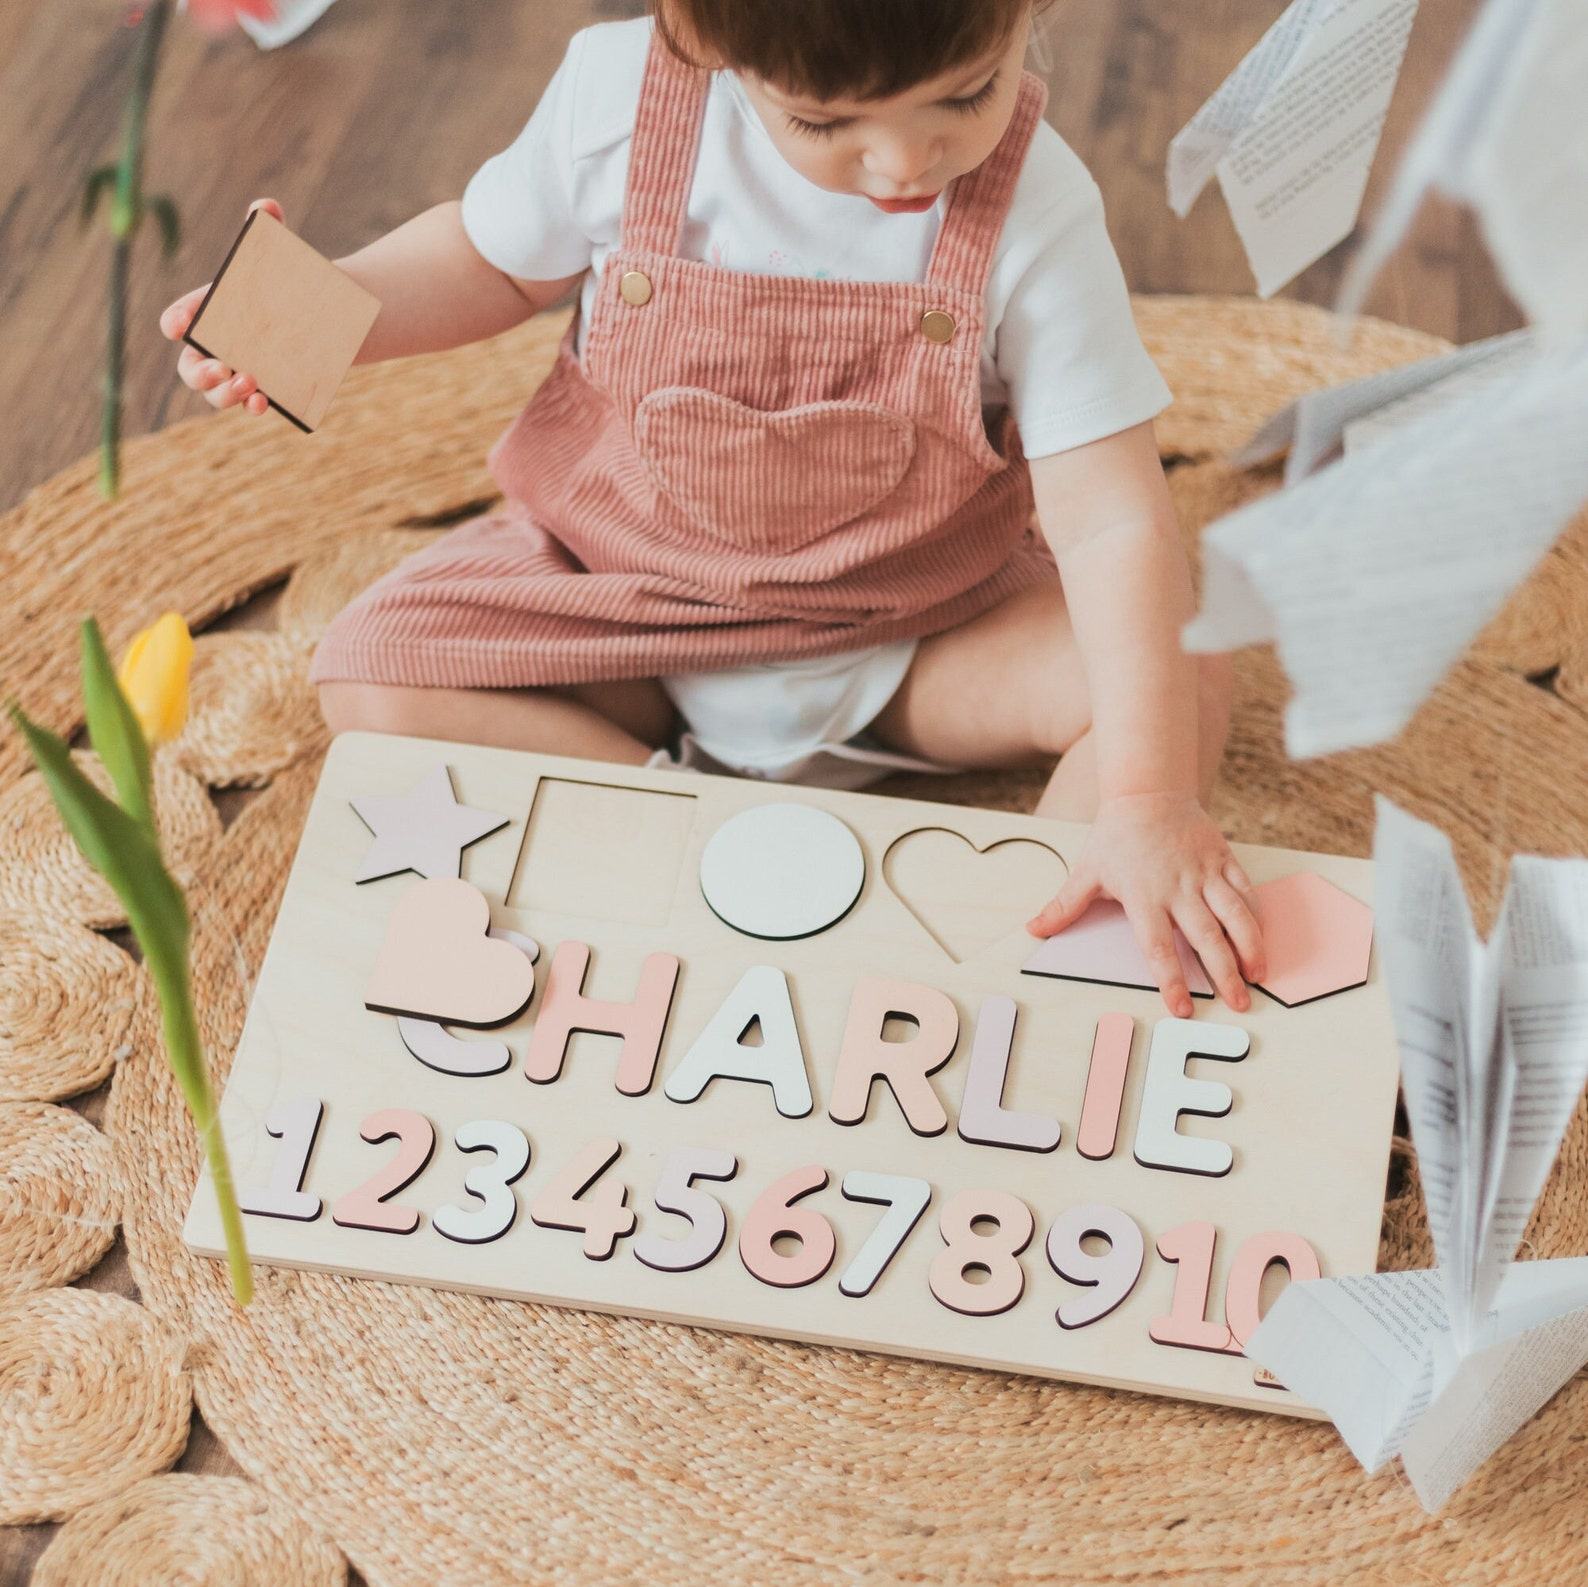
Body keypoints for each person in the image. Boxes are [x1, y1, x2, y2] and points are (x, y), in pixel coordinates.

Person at [158, 0, 1266, 1017]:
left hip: (916, 638)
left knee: (1178, 666)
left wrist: (1148, 799)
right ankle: (696, 842)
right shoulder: (620, 101)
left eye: (964, 96)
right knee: (369, 669)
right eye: (824, 121)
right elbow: (484, 266)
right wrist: (301, 314)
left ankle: (980, 978)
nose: (903, 163)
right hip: (625, 610)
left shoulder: (1037, 209)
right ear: (699, 36)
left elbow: (1111, 517)